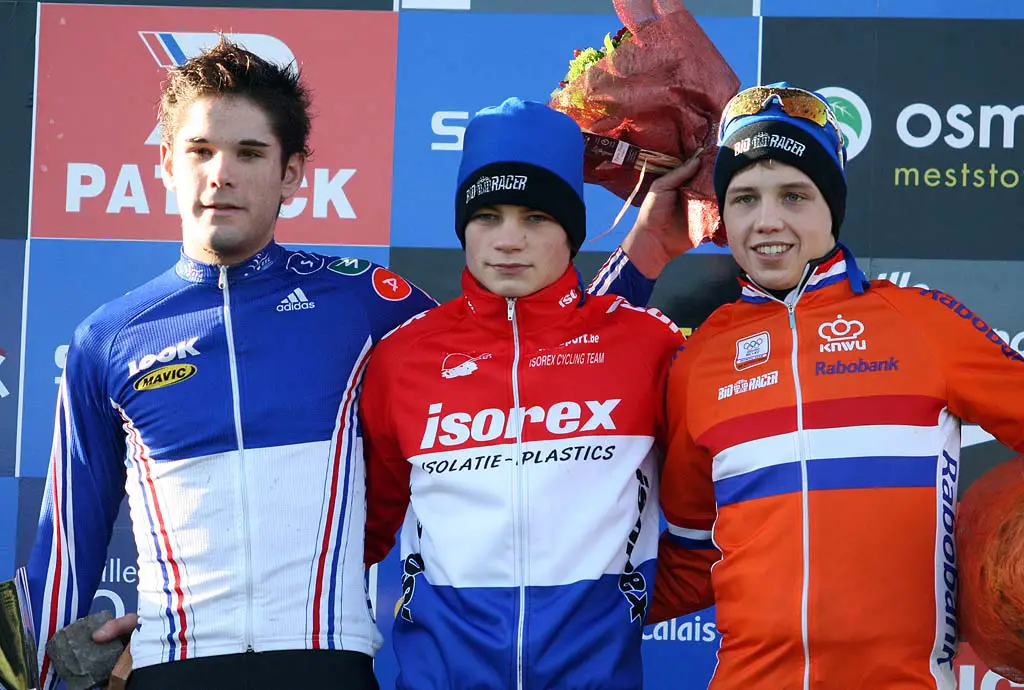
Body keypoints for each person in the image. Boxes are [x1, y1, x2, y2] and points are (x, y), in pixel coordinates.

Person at [24, 41, 700, 690]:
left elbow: (526, 345)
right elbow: (65, 546)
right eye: (200, 151)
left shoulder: (363, 302)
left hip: (329, 667)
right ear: (166, 163)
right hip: (174, 665)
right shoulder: (107, 339)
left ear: (292, 172)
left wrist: (641, 256)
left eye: (249, 152)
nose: (221, 174)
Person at [651, 83, 1024, 688]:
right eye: (744, 199)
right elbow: (694, 558)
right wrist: (564, 613)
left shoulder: (920, 323)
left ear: (832, 205)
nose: (767, 221)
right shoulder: (701, 360)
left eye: (794, 195)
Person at [359, 97, 688, 690]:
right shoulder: (403, 357)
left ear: (572, 230)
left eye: (535, 217)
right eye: (488, 216)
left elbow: (704, 512)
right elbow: (357, 536)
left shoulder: (647, 344)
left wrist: (620, 610)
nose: (508, 239)